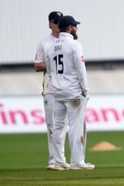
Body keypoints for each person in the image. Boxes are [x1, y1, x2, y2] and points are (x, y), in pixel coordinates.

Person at [47, 15, 94, 171]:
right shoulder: (74, 45)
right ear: (69, 27)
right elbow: (81, 69)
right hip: (73, 92)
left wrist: (55, 87)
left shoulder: (51, 46)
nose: (76, 28)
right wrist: (85, 89)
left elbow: (49, 71)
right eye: (75, 26)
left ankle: (59, 161)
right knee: (76, 127)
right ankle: (77, 161)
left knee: (58, 127)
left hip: (57, 92)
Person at [34, 11, 64, 170]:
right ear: (50, 23)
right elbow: (37, 65)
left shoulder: (69, 41)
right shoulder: (44, 43)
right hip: (51, 88)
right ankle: (53, 159)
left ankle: (71, 159)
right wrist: (53, 63)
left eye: (60, 21)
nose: (58, 24)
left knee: (68, 126)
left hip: (67, 88)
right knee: (52, 126)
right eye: (55, 21)